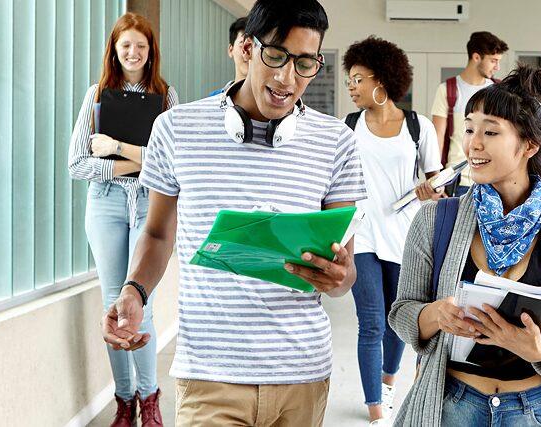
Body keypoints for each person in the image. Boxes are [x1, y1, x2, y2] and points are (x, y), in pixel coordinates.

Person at [100, 1, 366, 426]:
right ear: (246, 47)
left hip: (301, 375)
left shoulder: (336, 141)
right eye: (276, 56)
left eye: (304, 64)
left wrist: (340, 278)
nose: (286, 78)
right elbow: (156, 234)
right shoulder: (175, 129)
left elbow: (344, 271)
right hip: (209, 374)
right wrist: (134, 289)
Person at [389, 64, 541, 427]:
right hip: (451, 405)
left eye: (490, 132)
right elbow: (401, 312)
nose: (473, 143)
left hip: (533, 410)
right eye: (470, 128)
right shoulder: (435, 220)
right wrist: (435, 315)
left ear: (530, 145)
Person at [67, 12, 178, 427]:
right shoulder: (97, 95)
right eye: (126, 45)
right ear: (114, 49)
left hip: (149, 205)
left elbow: (173, 163)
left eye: (141, 46)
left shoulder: (166, 97)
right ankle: (124, 400)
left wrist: (114, 146)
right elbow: (77, 164)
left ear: (151, 53)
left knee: (139, 301)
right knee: (114, 306)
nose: (133, 52)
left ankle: (149, 400)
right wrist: (134, 162)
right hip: (105, 203)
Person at [342, 36, 442, 426]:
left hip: (406, 236)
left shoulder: (419, 127)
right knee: (370, 320)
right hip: (361, 233)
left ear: (381, 80)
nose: (351, 87)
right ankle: (375, 411)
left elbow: (438, 186)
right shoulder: (349, 127)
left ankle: (387, 381)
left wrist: (429, 190)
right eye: (350, 80)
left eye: (357, 79)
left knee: (398, 321)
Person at [429, 31, 509, 199]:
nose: (497, 67)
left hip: (493, 181)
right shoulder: (448, 90)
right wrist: (436, 182)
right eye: (493, 61)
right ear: (476, 57)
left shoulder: (499, 92)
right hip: (458, 182)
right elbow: (437, 138)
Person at [209, 17, 249, 96]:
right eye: (242, 44)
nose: (247, 52)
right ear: (231, 50)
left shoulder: (270, 102)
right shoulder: (214, 99)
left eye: (253, 46)